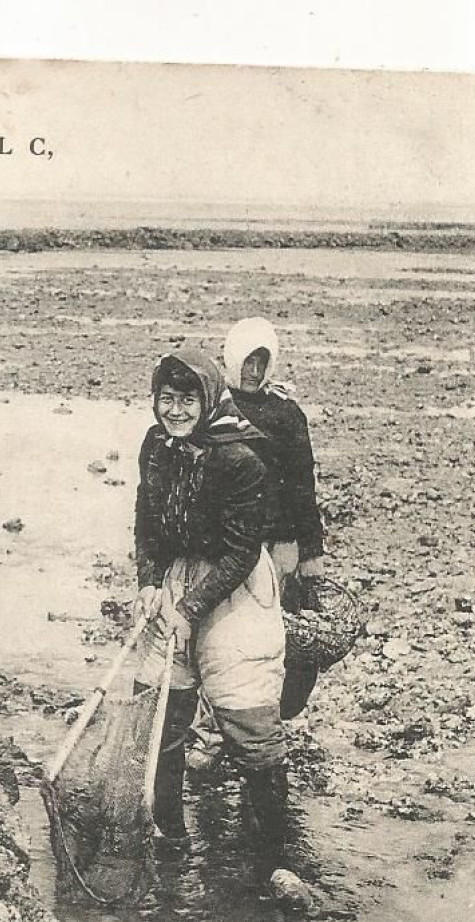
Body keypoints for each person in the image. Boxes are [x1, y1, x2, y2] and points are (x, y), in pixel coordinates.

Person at [133, 347, 297, 891]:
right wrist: (150, 582)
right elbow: (147, 522)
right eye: (166, 399)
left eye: (186, 400)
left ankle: (273, 859)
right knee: (161, 711)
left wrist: (191, 610)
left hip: (237, 590)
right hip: (179, 576)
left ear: (207, 400)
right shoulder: (156, 447)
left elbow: (242, 549)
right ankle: (169, 835)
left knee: (248, 721)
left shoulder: (240, 457)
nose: (174, 411)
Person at [223, 316, 327, 722]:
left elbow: (303, 485)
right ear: (233, 359)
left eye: (260, 363)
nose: (252, 372)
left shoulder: (286, 413)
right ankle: (224, 717)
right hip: (231, 542)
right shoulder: (216, 407)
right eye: (247, 361)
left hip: (280, 543)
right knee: (228, 633)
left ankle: (270, 715)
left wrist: (311, 551)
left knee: (280, 634)